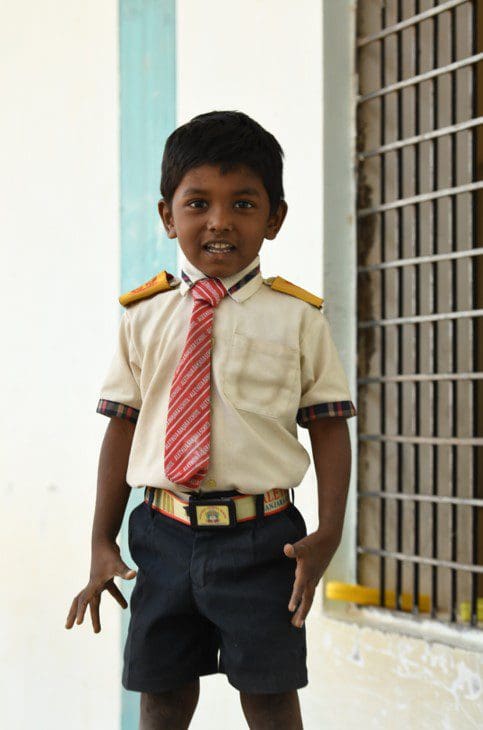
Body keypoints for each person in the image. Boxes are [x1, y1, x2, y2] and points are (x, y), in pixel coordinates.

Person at [66, 110, 356, 730]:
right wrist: (101, 539)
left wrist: (330, 530)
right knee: (162, 697)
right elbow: (121, 429)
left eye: (244, 203)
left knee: (271, 697)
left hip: (265, 538)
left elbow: (330, 425)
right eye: (198, 203)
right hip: (161, 533)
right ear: (168, 215)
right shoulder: (142, 317)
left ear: (274, 218)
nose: (220, 221)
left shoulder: (298, 319)